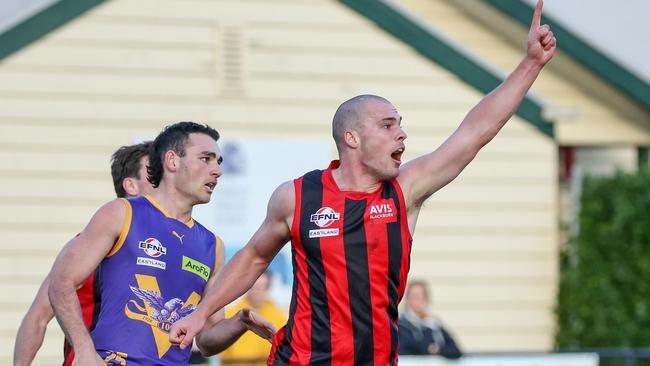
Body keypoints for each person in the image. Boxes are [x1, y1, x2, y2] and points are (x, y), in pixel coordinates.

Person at [170, 1, 556, 364]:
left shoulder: (405, 191)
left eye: (400, 124)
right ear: (351, 138)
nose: (401, 134)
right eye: (388, 125)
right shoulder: (297, 197)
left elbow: (475, 132)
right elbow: (254, 257)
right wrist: (203, 313)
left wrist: (531, 65)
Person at [48, 122, 276, 366]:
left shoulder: (213, 246)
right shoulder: (121, 213)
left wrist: (239, 322)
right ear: (172, 160)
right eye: (206, 158)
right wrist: (83, 349)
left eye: (218, 161)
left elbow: (207, 341)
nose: (217, 170)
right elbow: (61, 282)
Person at [13, 141, 154, 366]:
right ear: (131, 185)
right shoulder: (90, 247)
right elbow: (37, 318)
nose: (163, 181)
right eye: (152, 173)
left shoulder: (177, 248)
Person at [219, 272, 287, 366]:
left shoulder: (279, 316)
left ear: (267, 289)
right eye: (255, 288)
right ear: (249, 288)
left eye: (261, 288)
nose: (258, 292)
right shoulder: (232, 314)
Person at [398, 281, 461, 359]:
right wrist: (429, 347)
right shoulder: (399, 325)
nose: (419, 301)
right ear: (407, 300)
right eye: (415, 296)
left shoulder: (433, 324)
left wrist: (437, 350)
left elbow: (455, 351)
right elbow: (405, 350)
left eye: (422, 297)